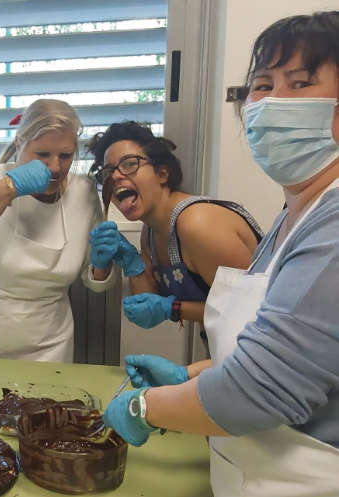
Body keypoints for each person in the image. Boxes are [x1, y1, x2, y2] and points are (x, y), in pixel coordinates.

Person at [103, 11, 339, 496]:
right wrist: (187, 374)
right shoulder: (295, 215)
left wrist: (145, 407)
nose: (271, 102)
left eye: (299, 84)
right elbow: (281, 348)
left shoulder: (207, 222)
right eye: (262, 85)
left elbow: (259, 389)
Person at [0, 98, 117, 362]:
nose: (55, 167)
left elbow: (96, 283)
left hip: (50, 342)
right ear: (20, 144)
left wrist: (102, 266)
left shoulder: (83, 192)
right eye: (42, 154)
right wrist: (5, 189)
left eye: (65, 156)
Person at [86, 122, 263, 340]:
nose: (115, 177)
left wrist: (175, 308)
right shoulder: (151, 231)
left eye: (130, 164)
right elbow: (147, 306)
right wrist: (132, 263)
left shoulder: (197, 223)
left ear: (162, 173)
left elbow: (251, 309)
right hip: (232, 345)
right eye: (108, 172)